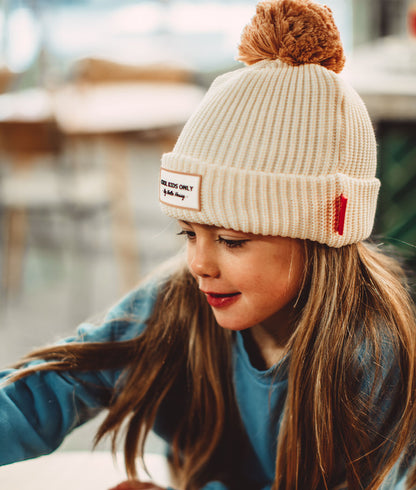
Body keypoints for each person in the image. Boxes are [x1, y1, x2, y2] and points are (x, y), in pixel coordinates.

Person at [1, 0, 416, 489]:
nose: (198, 263)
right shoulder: (177, 300)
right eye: (189, 233)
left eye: (232, 241)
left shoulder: (376, 354)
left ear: (324, 234)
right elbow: (53, 384)